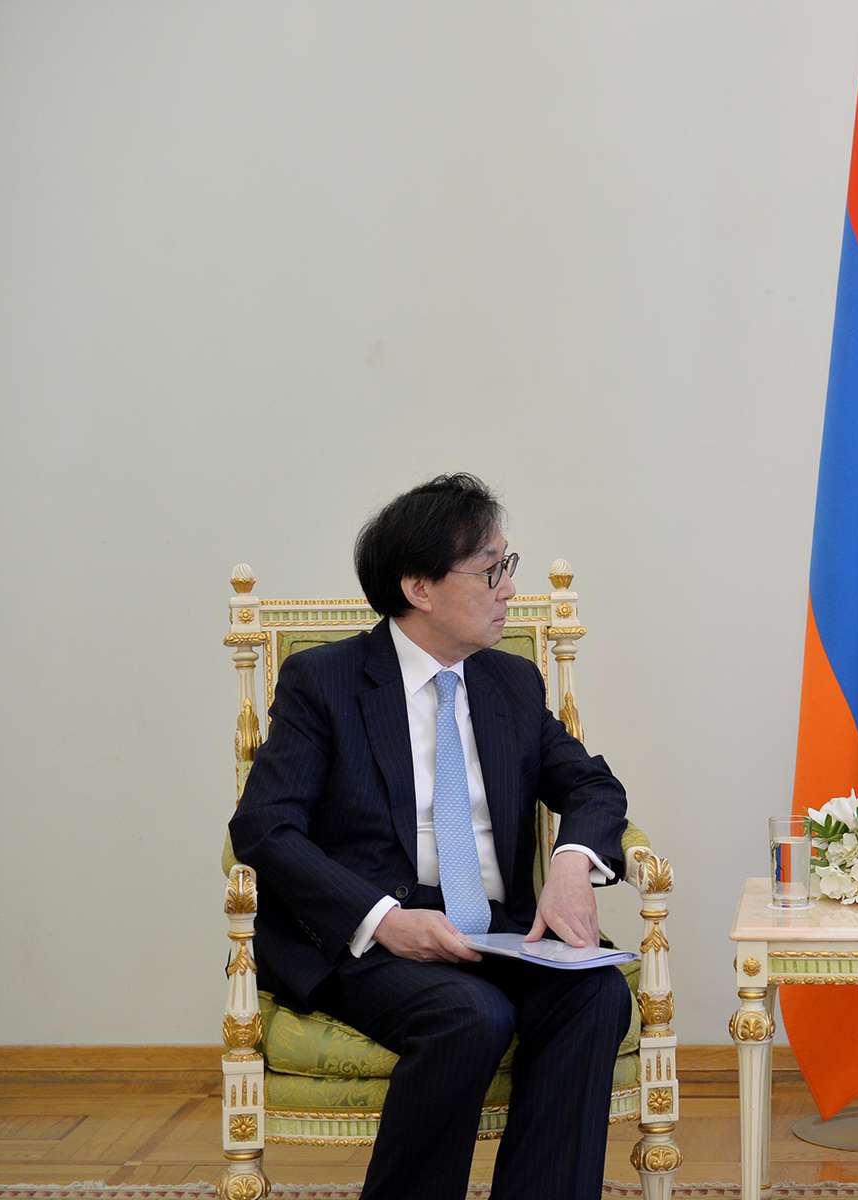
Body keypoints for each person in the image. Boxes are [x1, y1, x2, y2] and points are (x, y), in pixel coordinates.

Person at [230, 473, 633, 1200]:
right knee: (470, 1015)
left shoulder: (510, 682)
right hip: (372, 936)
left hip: (497, 929)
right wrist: (385, 920)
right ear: (419, 587)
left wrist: (572, 864)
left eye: (508, 565)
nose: (510, 589)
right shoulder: (324, 681)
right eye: (491, 570)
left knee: (596, 994)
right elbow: (264, 826)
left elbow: (592, 786)